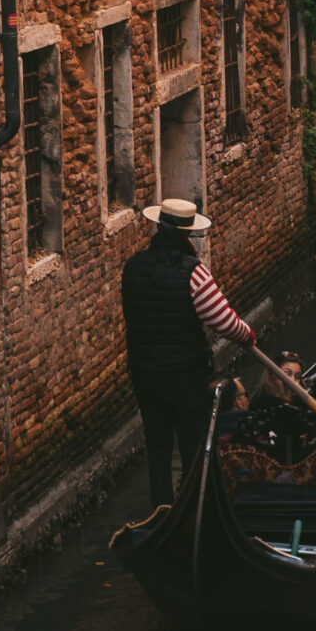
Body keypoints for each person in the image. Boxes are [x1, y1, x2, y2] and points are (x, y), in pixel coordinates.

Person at [120, 198, 254, 510]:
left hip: (145, 375)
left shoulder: (132, 267)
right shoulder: (194, 273)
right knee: (194, 445)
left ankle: (161, 510)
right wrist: (248, 335)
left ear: (157, 227)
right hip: (185, 377)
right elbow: (223, 322)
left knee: (158, 446)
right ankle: (196, 508)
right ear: (187, 234)